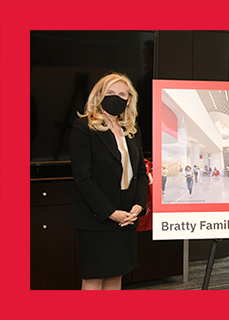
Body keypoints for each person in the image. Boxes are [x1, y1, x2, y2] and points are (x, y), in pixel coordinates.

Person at [68, 73, 148, 290]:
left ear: (129, 99)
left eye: (122, 94)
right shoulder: (83, 127)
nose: (116, 98)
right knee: (95, 277)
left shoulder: (131, 129)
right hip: (97, 215)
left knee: (115, 275)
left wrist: (138, 207)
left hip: (127, 213)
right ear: (99, 95)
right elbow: (83, 178)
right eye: (110, 93)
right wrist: (111, 213)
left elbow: (140, 172)